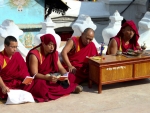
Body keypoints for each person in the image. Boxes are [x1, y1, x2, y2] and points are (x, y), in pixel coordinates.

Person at [25, 34, 82, 102]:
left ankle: (65, 88)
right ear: (43, 44)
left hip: (52, 76)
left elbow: (60, 68)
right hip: (40, 77)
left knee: (71, 76)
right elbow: (34, 74)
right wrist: (48, 78)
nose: (52, 47)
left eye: (53, 45)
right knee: (41, 86)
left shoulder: (53, 53)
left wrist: (65, 76)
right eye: (49, 45)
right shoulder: (34, 54)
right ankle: (70, 89)